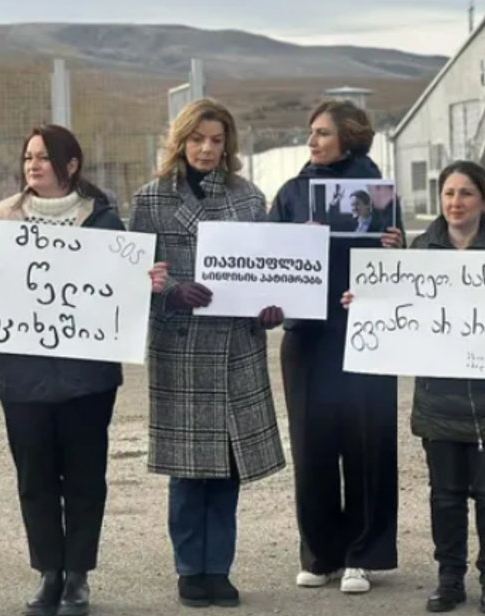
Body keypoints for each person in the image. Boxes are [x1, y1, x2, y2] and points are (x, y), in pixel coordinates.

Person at [0, 124, 167, 616]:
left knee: (85, 478)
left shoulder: (103, 223)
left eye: (44, 157)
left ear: (71, 166)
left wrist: (144, 285)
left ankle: (79, 576)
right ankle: (49, 573)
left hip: (88, 380)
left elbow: (123, 296)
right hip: (22, 379)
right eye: (27, 157)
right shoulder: (1, 219)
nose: (33, 165)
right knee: (36, 479)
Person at [341, 161, 485, 613]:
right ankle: (449, 578)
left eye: (466, 193)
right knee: (444, 495)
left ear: (483, 200)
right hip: (438, 399)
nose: (456, 202)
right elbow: (396, 305)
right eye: (449, 193)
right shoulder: (420, 249)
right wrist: (364, 302)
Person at [128, 98, 288, 608]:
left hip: (236, 346)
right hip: (180, 345)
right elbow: (134, 273)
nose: (206, 149)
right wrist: (171, 289)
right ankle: (189, 569)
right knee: (187, 468)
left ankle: (218, 568)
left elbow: (269, 271)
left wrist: (271, 308)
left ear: (228, 146)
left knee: (227, 465)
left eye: (216, 140)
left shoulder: (249, 199)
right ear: (181, 141)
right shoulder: (151, 199)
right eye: (197, 139)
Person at [268, 99, 405, 594]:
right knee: (312, 447)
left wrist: (395, 249)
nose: (312, 141)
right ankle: (321, 553)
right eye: (310, 132)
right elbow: (266, 258)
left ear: (348, 136)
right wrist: (289, 246)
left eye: (323, 132)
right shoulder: (291, 193)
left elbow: (399, 270)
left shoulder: (379, 192)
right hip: (307, 336)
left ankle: (362, 554)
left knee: (368, 445)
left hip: (366, 333)